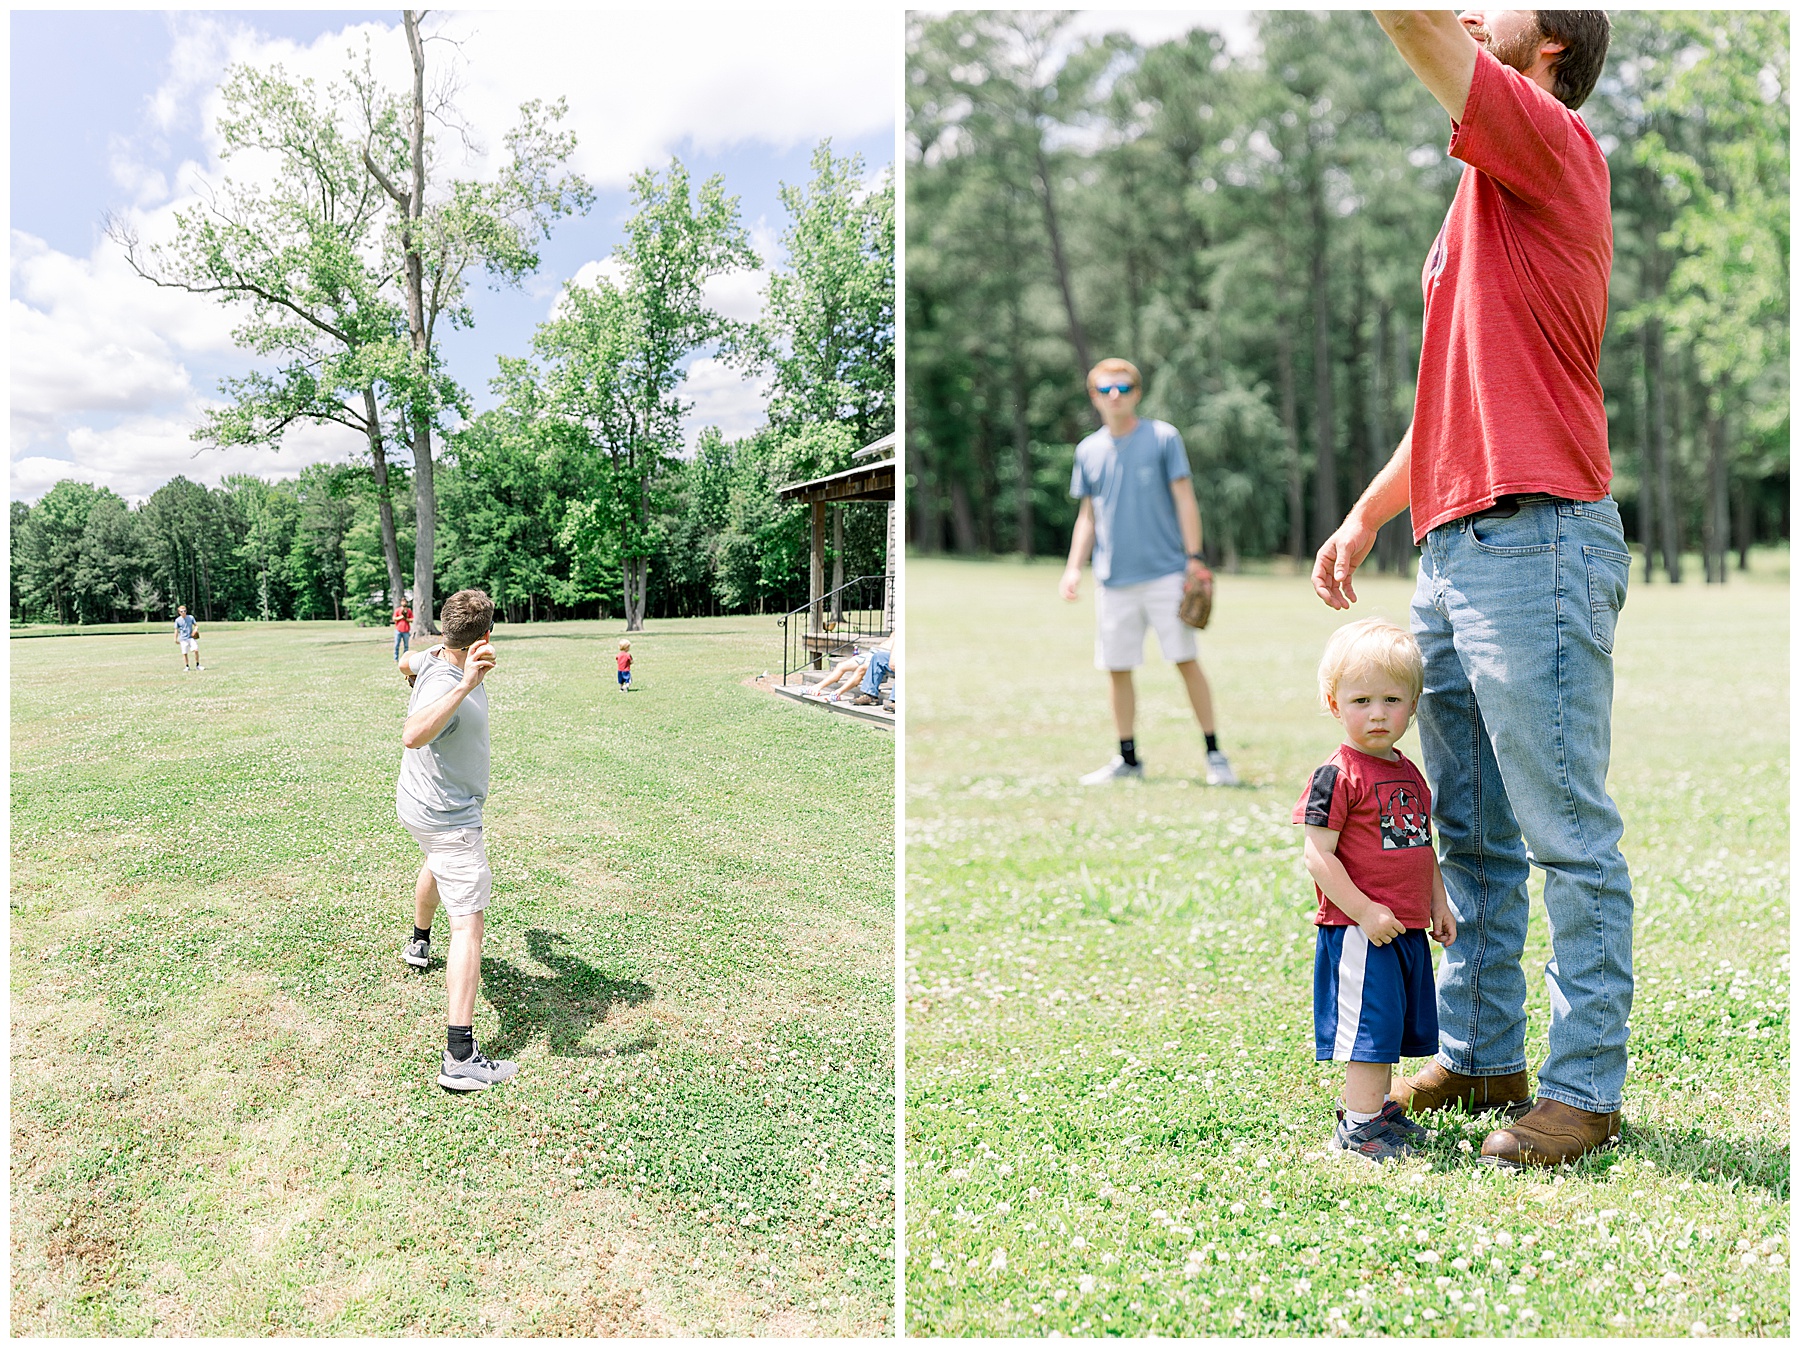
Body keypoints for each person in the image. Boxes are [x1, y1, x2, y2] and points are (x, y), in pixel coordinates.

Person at [1312, 10, 1625, 1167]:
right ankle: (1486, 1052)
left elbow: (1409, 19)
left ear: (1551, 54)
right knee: (1475, 831)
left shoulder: (1547, 136)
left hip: (1539, 536)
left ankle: (1585, 1088)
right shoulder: (1481, 194)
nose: (1475, 9)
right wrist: (1367, 512)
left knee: (1566, 834)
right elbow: (1449, 394)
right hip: (1454, 546)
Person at [1296, 619, 1455, 1162]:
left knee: (1392, 1029)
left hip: (1405, 926)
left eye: (1392, 700)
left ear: (1413, 705)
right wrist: (1363, 910)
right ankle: (1358, 1130)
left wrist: (1437, 901)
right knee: (1370, 1031)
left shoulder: (1409, 774)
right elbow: (1317, 854)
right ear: (1334, 703)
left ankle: (1377, 1113)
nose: (1378, 714)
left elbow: (1421, 846)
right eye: (1361, 701)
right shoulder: (1337, 774)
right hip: (1360, 930)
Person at [1059, 358, 1237, 788]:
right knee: (1117, 667)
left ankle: (1215, 756)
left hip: (1166, 574)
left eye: (1122, 388)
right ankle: (1128, 759)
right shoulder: (1088, 450)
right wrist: (1073, 568)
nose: (1114, 396)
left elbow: (1185, 499)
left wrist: (1194, 556)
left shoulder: (1163, 438)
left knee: (1185, 660)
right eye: (1105, 389)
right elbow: (1088, 516)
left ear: (1136, 393)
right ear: (1093, 396)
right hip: (1113, 580)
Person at [396, 589, 516, 1092]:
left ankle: (419, 942)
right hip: (450, 818)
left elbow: (405, 661)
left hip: (419, 807)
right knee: (468, 926)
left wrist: (425, 667)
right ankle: (459, 1057)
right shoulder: (454, 680)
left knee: (435, 862)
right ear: (485, 636)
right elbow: (412, 734)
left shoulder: (431, 656)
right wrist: (466, 683)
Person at [174, 605, 202, 672]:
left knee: (196, 650)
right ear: (179, 612)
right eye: (182, 611)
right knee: (185, 653)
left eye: (184, 611)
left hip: (191, 637)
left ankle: (198, 665)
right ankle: (187, 666)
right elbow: (176, 630)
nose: (183, 612)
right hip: (183, 638)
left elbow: (196, 625)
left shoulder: (190, 617)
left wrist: (195, 630)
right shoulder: (177, 620)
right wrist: (175, 639)